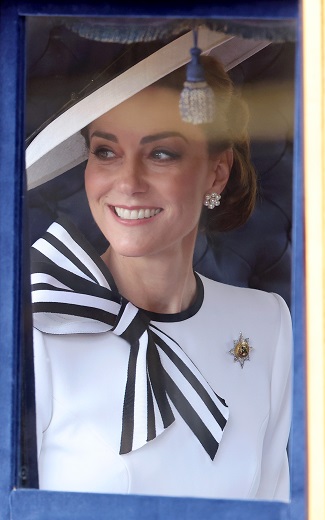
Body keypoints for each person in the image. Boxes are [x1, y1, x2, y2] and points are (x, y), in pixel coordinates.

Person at [30, 50, 292, 500]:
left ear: (216, 172)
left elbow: (273, 499)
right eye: (106, 152)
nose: (128, 182)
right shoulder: (40, 323)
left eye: (161, 153)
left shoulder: (267, 324)